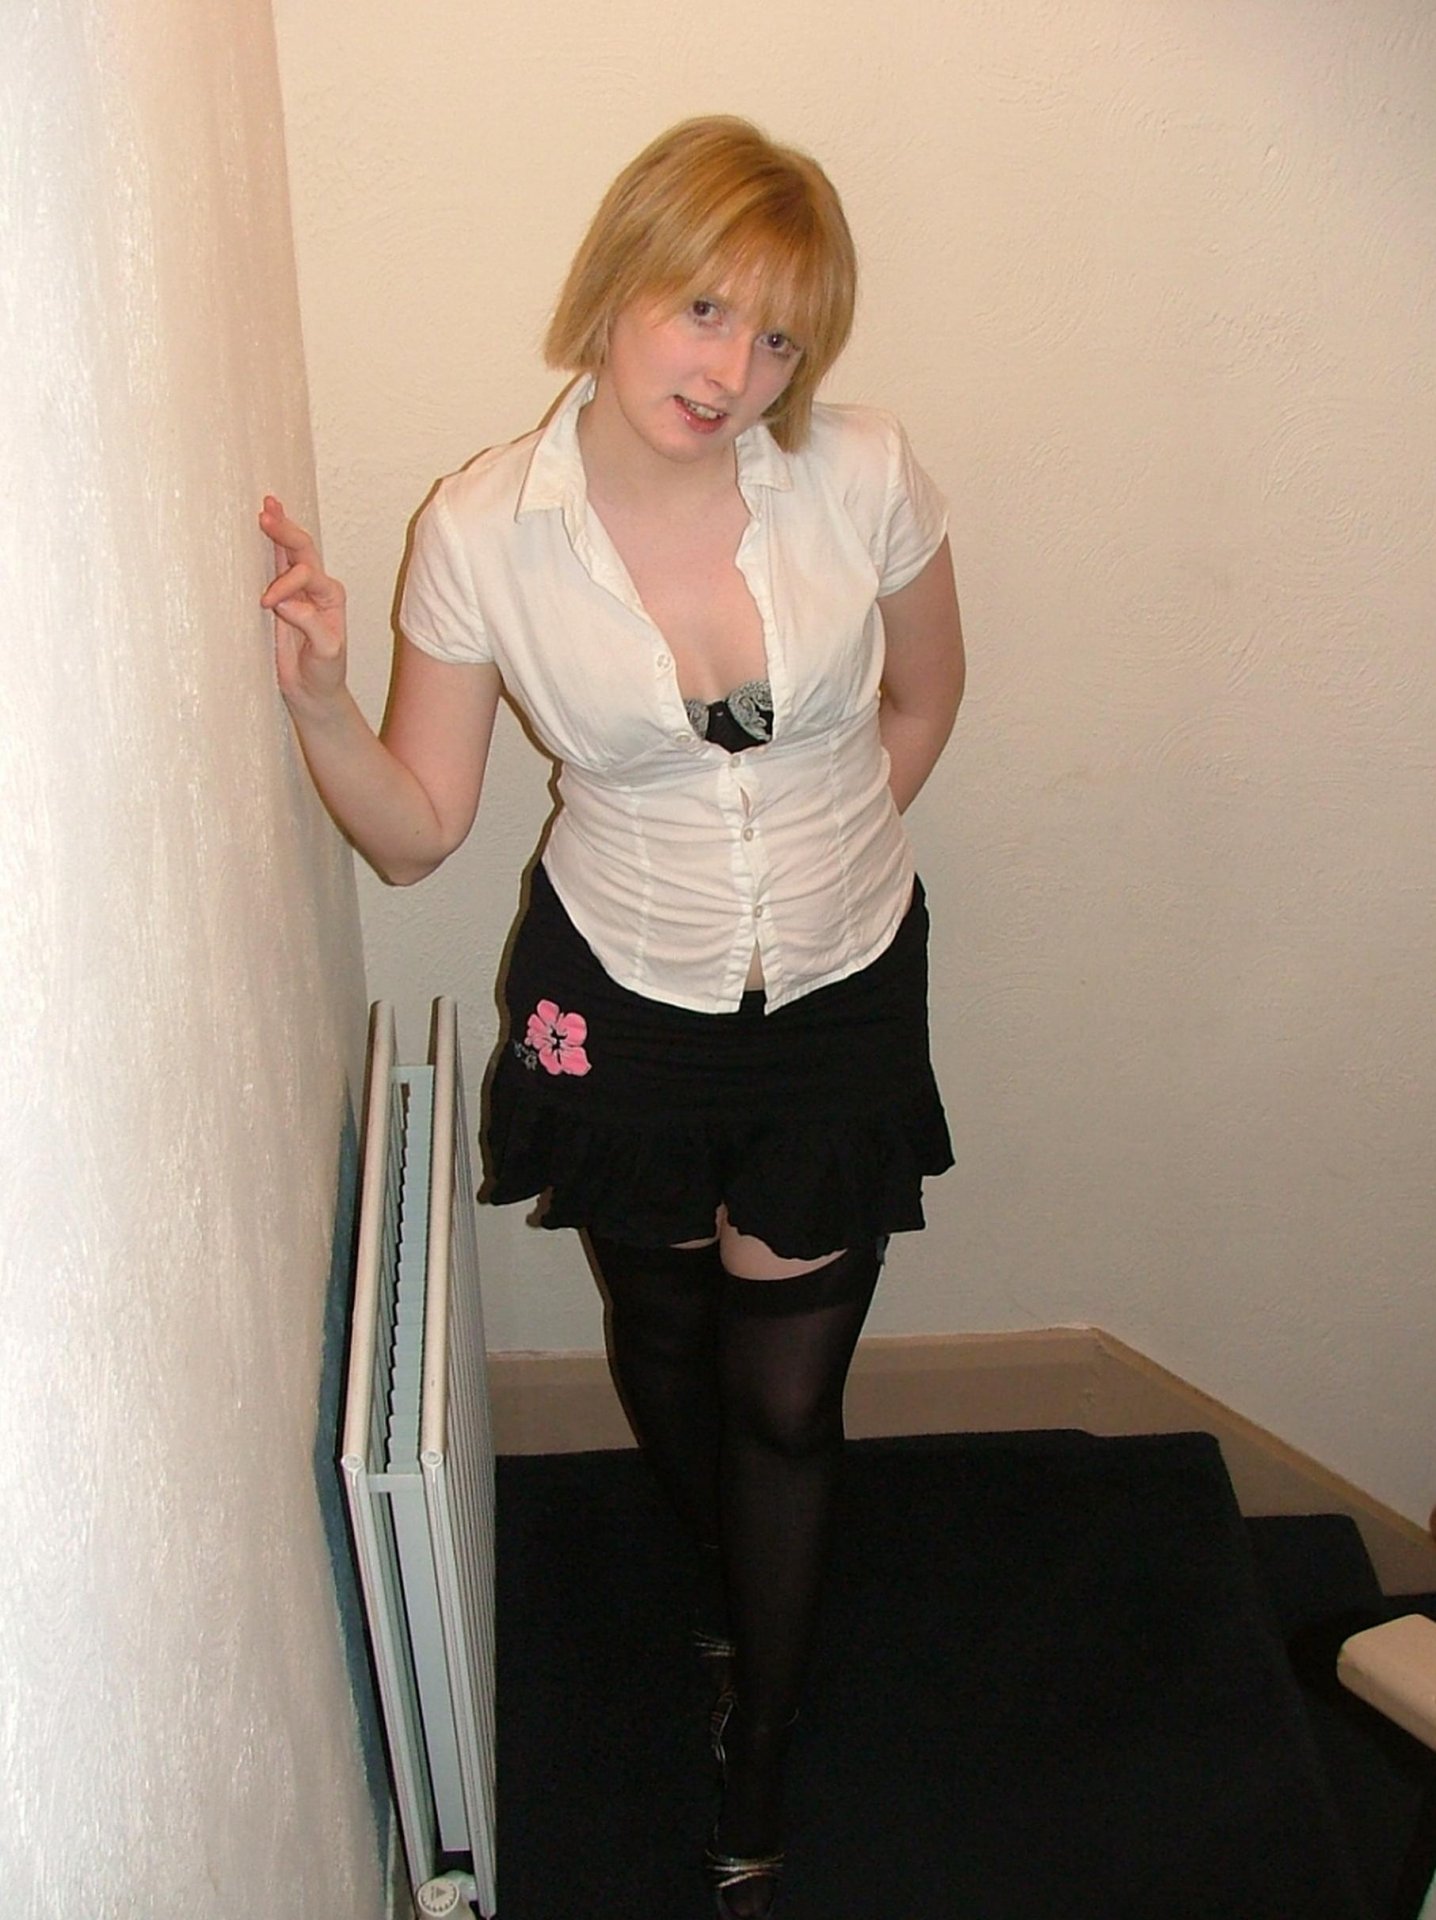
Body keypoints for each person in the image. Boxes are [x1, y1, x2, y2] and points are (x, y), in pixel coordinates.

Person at [262, 114, 964, 1919]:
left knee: (788, 1394)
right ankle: (724, 1583)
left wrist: (811, 870)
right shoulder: (482, 530)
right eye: (705, 308)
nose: (736, 370)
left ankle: (762, 1739)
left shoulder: (866, 475)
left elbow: (925, 697)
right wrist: (324, 699)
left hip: (837, 986)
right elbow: (416, 831)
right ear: (618, 285)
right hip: (618, 995)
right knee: (660, 1330)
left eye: (782, 336)